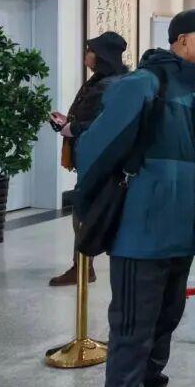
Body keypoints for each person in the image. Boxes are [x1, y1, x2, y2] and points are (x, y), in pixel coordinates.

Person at [75, 9, 195, 387]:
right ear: (182, 41)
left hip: (182, 234)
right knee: (133, 327)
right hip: (142, 236)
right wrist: (91, 204)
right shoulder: (143, 85)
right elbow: (94, 150)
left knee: (164, 323)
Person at [48, 31, 129, 287]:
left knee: (84, 212)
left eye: (91, 50)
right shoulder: (103, 80)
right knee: (84, 210)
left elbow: (104, 124)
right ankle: (83, 265)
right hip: (93, 154)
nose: (86, 54)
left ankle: (82, 267)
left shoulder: (110, 85)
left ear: (103, 55)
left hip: (99, 158)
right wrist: (69, 122)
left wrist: (72, 128)